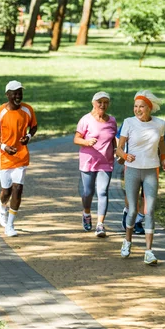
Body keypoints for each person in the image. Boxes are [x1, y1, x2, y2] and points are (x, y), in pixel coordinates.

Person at [116, 90, 165, 265]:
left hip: (151, 170)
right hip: (132, 169)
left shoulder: (159, 124)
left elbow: (162, 143)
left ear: (149, 108)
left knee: (150, 210)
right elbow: (118, 148)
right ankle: (127, 241)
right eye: (135, 106)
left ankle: (149, 251)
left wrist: (163, 159)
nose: (137, 110)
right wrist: (125, 156)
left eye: (141, 107)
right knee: (132, 210)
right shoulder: (128, 122)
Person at [0, 80, 37, 237]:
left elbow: (34, 126)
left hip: (21, 155)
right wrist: (3, 147)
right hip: (4, 157)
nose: (18, 96)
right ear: (7, 94)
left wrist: (28, 136)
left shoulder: (28, 109)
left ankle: (10, 225)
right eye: (14, 93)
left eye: (20, 93)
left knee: (18, 189)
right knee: (6, 191)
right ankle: (2, 206)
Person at [73, 91, 118, 237]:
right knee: (88, 192)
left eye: (105, 102)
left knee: (103, 191)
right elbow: (76, 139)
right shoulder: (86, 120)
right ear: (93, 103)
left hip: (106, 162)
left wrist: (117, 150)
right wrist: (86, 142)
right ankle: (86, 213)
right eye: (100, 102)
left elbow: (113, 139)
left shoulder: (112, 121)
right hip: (88, 161)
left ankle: (100, 225)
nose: (103, 105)